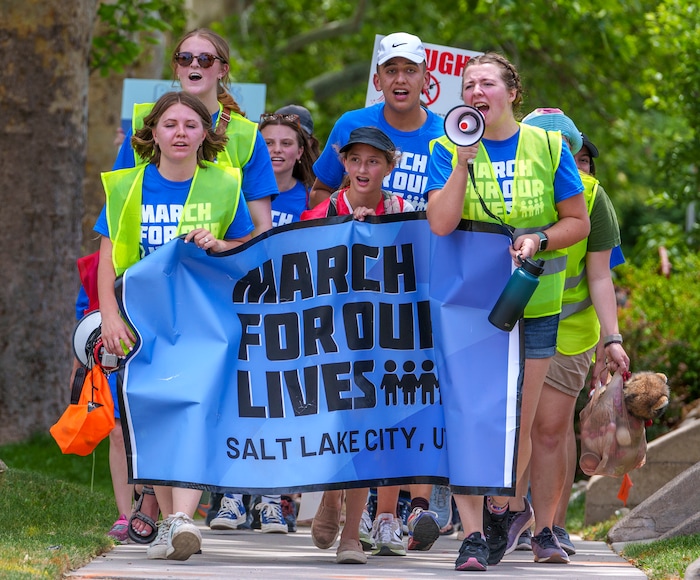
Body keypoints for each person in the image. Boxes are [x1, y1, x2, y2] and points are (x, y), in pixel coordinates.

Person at [109, 27, 278, 542]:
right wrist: (105, 306)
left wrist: (223, 247)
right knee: (155, 405)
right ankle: (155, 510)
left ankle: (199, 508)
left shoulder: (246, 138)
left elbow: (260, 233)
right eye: (184, 56)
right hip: (146, 298)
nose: (194, 63)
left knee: (204, 403)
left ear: (223, 68)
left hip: (215, 297)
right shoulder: (144, 129)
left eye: (206, 57)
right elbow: (116, 227)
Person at [425, 54, 590, 571]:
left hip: (533, 301)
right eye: (468, 84)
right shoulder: (444, 146)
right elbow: (440, 223)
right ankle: (473, 533)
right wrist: (461, 165)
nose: (476, 91)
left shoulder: (548, 146)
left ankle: (502, 505)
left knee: (520, 418)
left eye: (487, 83)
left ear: (511, 92)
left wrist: (539, 238)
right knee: (471, 414)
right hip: (469, 305)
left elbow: (577, 222)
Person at [97, 91, 254, 561]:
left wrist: (220, 243)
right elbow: (107, 261)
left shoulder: (225, 184)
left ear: (206, 132)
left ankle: (184, 517)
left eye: (190, 124)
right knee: (157, 417)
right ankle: (171, 523)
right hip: (140, 319)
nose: (180, 132)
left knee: (191, 409)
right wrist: (108, 314)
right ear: (153, 133)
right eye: (170, 124)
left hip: (202, 318)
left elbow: (247, 245)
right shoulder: (127, 187)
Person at [306, 31, 445, 559]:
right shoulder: (349, 125)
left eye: (411, 69)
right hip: (344, 306)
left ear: (427, 77)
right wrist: (347, 225)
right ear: (379, 77)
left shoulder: (444, 134)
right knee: (347, 409)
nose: (401, 79)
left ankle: (389, 517)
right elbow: (318, 201)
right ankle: (336, 505)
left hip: (411, 301)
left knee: (402, 405)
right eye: (392, 70)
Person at [301, 126, 414, 564]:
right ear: (343, 164)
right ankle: (331, 495)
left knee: (367, 435)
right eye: (355, 161)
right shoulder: (321, 211)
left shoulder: (407, 212)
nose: (363, 169)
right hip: (331, 338)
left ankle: (352, 534)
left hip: (385, 341)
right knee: (338, 430)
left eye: (373, 161)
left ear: (390, 166)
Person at [260, 109, 318, 226]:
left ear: (299, 152)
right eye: (268, 143)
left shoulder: (312, 199)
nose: (277, 150)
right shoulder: (240, 191)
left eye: (286, 143)